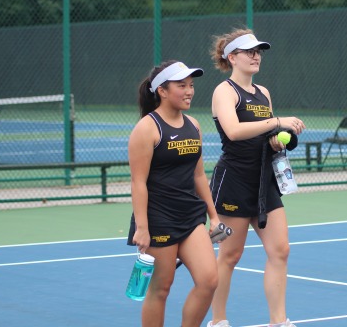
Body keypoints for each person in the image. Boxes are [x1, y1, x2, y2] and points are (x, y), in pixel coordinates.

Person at [206, 29, 306, 327]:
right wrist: (277, 121)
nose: (255, 55)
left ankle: (279, 321)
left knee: (281, 250)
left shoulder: (263, 93)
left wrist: (277, 140)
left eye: (258, 51)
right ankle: (218, 321)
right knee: (229, 253)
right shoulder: (224, 91)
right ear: (232, 57)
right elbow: (234, 132)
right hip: (233, 183)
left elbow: (267, 134)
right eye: (248, 51)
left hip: (265, 182)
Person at [127, 60, 221, 327]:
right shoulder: (147, 128)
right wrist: (142, 228)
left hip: (190, 216)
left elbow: (199, 175)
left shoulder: (193, 124)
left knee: (209, 280)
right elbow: (138, 183)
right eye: (182, 85)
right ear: (162, 91)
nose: (190, 91)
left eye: (191, 85)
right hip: (159, 218)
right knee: (161, 288)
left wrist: (213, 217)